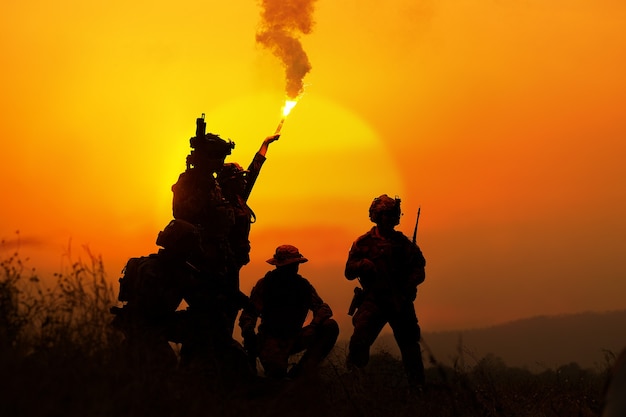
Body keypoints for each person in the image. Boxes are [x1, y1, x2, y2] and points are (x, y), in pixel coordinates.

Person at [344, 194, 427, 390]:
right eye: (385, 214)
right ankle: (354, 384)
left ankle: (418, 389)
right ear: (376, 216)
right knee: (359, 341)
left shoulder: (404, 244)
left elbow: (419, 270)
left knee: (410, 346)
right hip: (374, 300)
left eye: (393, 215)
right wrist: (362, 265)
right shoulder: (363, 242)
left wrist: (408, 285)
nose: (389, 219)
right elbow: (348, 271)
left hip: (400, 301)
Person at [110, 219, 203, 372]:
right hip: (146, 330)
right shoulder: (163, 271)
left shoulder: (147, 264)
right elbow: (153, 310)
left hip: (138, 328)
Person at [239, 245, 339, 379]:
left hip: (295, 336)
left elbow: (322, 309)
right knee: (277, 379)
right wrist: (248, 331)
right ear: (279, 266)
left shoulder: (303, 286)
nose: (293, 268)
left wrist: (315, 324)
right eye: (290, 265)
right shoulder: (266, 284)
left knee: (330, 326)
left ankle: (302, 372)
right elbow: (249, 313)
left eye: (295, 265)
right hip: (271, 340)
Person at [217, 134, 280, 332]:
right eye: (238, 178)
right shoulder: (220, 203)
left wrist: (265, 145)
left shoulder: (238, 197)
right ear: (228, 182)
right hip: (221, 265)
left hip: (234, 262)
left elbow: (254, 172)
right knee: (224, 307)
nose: (243, 181)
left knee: (230, 307)